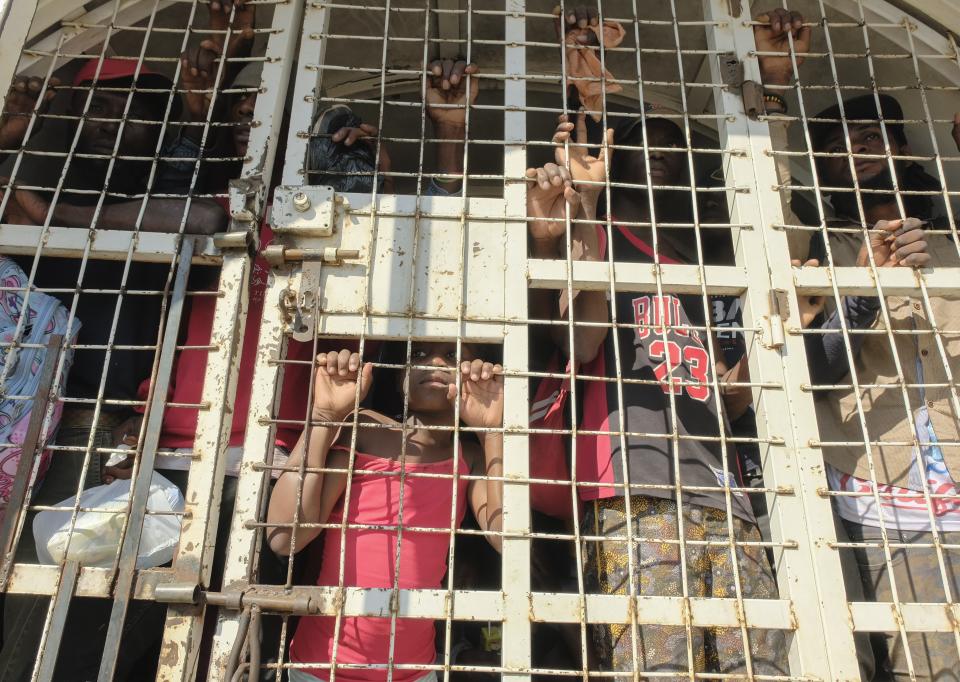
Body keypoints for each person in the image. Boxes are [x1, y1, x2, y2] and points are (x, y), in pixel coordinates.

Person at [0, 54, 228, 681]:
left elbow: (205, 219)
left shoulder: (167, 171)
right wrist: (14, 134)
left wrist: (60, 221)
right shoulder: (41, 166)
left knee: (42, 583)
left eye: (130, 109)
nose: (110, 120)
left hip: (88, 417)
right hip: (11, 406)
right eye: (97, 106)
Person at [795, 90, 958, 680]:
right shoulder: (818, 247)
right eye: (836, 149)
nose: (854, 153)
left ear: (902, 147)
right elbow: (809, 367)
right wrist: (866, 283)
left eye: (868, 138)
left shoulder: (953, 242)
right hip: (880, 493)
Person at [266, 342, 504, 681]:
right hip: (322, 665)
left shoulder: (471, 456)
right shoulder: (366, 431)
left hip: (412, 671)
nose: (434, 362)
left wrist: (491, 431)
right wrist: (324, 417)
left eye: (452, 356)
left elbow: (506, 537)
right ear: (398, 379)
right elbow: (284, 537)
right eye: (418, 355)